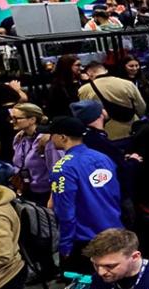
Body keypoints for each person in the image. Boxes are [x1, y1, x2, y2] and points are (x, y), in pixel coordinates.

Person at [49, 115, 123, 274]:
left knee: (84, 285)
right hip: (114, 230)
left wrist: (65, 245)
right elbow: (116, 194)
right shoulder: (103, 158)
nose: (50, 139)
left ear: (62, 137)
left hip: (85, 240)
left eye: (52, 135)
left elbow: (65, 211)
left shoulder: (63, 168)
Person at [78, 61, 146, 140]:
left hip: (108, 133)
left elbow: (86, 115)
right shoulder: (128, 84)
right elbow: (141, 106)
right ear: (106, 70)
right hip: (134, 128)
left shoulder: (85, 90)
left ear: (89, 74)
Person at [10, 103, 61, 205]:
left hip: (45, 194)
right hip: (25, 190)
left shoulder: (47, 141)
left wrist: (53, 198)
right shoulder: (19, 138)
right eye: (11, 118)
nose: (12, 121)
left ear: (32, 120)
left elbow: (57, 171)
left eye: (16, 118)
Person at [47, 54, 83, 119]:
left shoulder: (81, 81)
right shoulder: (57, 87)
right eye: (77, 65)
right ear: (67, 66)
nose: (81, 68)